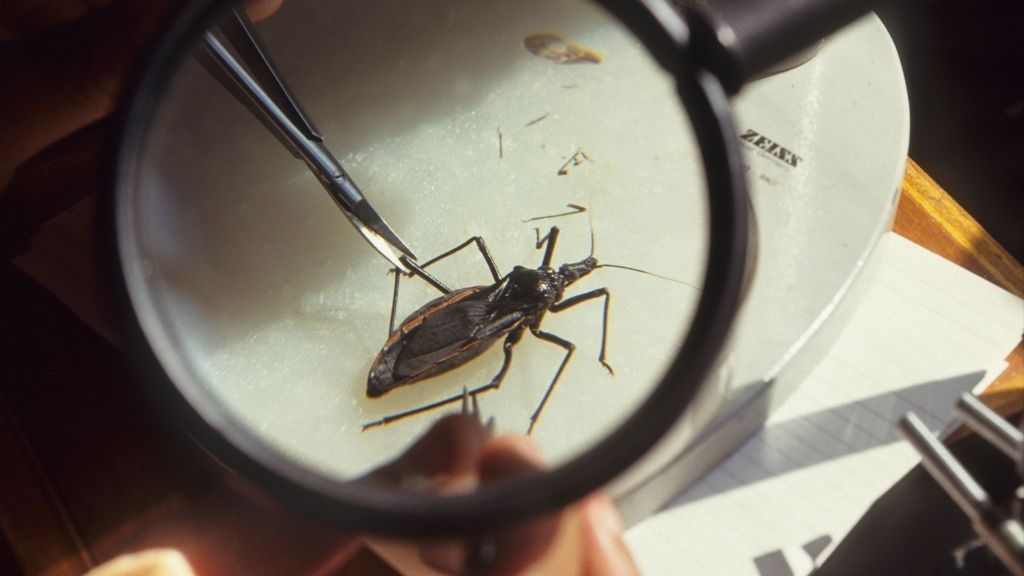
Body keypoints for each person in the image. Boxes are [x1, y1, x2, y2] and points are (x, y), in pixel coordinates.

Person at [1, 2, 640, 574]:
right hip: (477, 313)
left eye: (570, 276)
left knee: (491, 356)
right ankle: (409, 382)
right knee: (499, 372)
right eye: (570, 274)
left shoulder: (544, 283)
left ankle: (407, 356)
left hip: (475, 310)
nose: (571, 277)